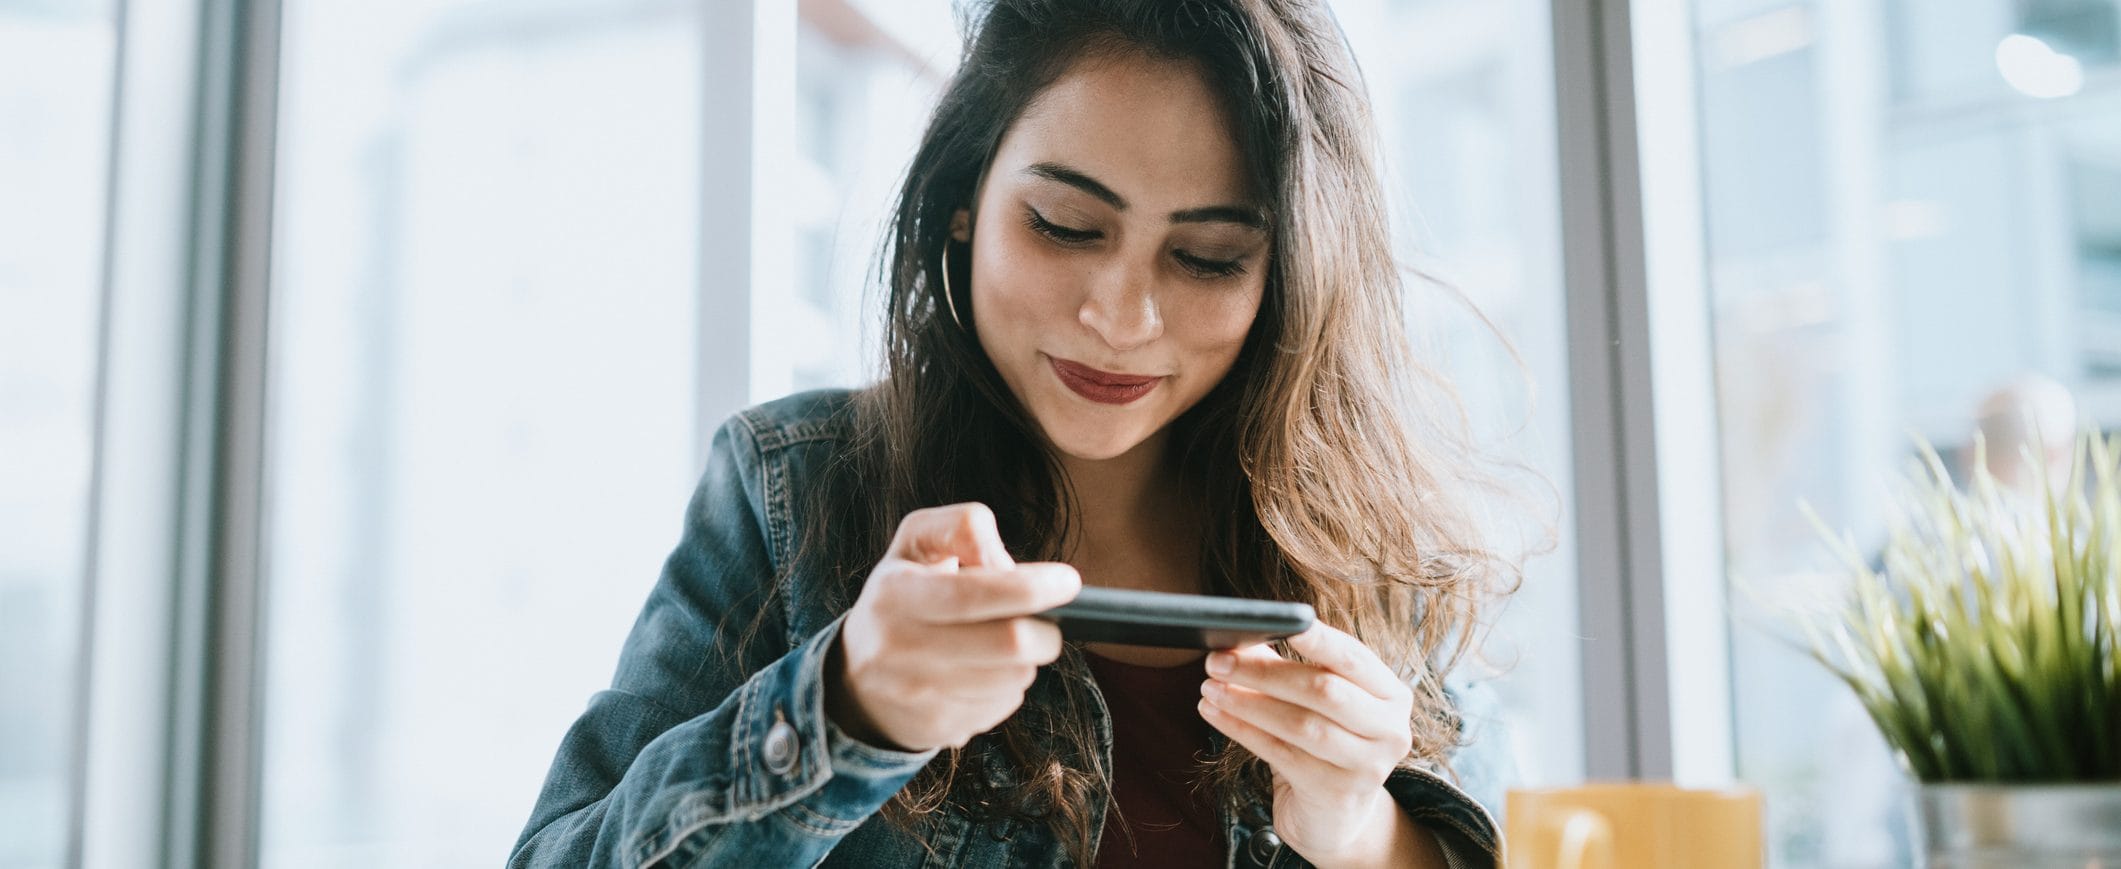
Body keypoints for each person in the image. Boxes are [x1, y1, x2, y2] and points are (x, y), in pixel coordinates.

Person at [509, 1, 1524, 866]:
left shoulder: (1383, 556)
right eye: (1064, 225)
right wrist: (844, 707)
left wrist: (1369, 830)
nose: (1123, 319)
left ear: (1285, 279)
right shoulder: (794, 493)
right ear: (964, 205)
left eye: (1208, 257)